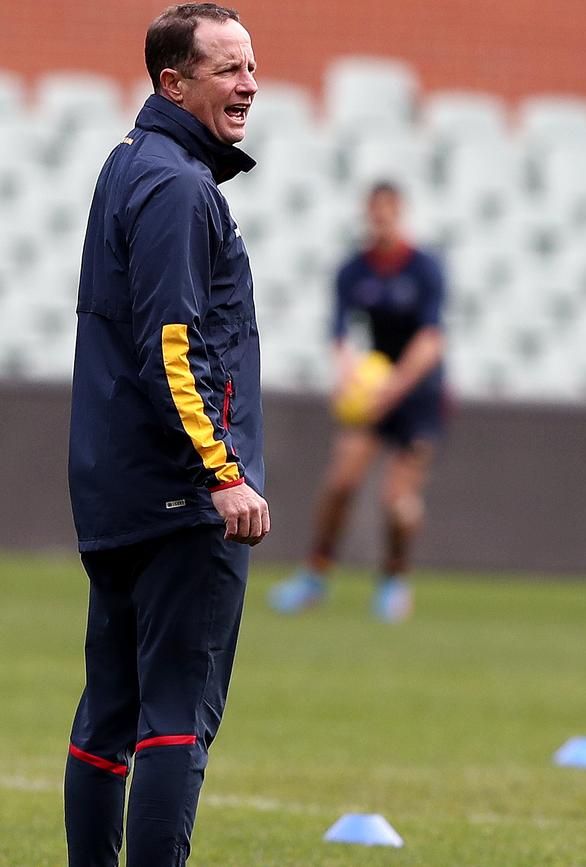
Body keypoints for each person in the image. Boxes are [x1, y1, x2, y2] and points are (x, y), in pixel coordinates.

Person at [64, 5, 269, 866]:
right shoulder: (179, 186)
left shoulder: (130, 167)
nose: (249, 85)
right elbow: (171, 347)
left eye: (251, 66)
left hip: (118, 485)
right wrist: (221, 471)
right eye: (227, 69)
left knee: (108, 710)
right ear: (172, 83)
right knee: (175, 712)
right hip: (179, 495)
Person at [269, 182, 445, 622]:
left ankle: (394, 578)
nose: (380, 220)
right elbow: (339, 334)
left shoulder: (424, 269)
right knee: (341, 481)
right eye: (374, 212)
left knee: (398, 503)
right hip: (373, 392)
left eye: (388, 212)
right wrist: (347, 374)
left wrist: (394, 388)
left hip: (415, 394)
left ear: (400, 213)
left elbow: (430, 342)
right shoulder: (354, 270)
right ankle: (315, 574)